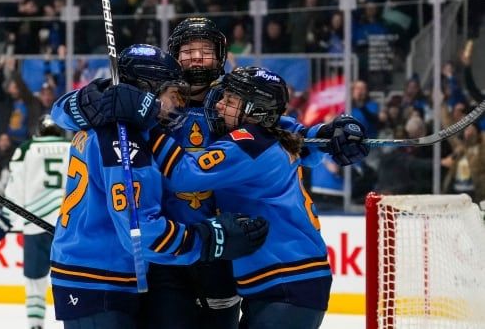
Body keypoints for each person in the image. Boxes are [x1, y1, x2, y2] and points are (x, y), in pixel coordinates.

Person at [62, 17, 367, 329]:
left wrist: (331, 137)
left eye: (205, 50)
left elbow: (286, 138)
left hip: (223, 250)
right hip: (169, 253)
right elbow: (64, 112)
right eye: (188, 50)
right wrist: (92, 99)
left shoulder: (231, 103)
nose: (196, 57)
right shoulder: (155, 97)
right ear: (174, 55)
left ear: (220, 56)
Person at [49, 44, 269, 329]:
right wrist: (212, 238)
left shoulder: (105, 121)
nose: (177, 104)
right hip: (100, 280)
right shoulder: (125, 140)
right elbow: (142, 236)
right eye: (171, 94)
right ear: (146, 90)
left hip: (98, 274)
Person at [148, 66, 332, 329]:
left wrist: (147, 124)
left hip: (288, 282)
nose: (219, 105)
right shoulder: (268, 138)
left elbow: (184, 174)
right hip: (286, 282)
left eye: (230, 100)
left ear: (255, 109)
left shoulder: (249, 142)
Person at [0, 114, 70, 329]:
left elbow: (15, 191)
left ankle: (35, 325)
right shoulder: (73, 147)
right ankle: (75, 321)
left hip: (35, 226)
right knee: (71, 279)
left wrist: (4, 222)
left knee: (35, 281)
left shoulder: (26, 149)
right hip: (67, 227)